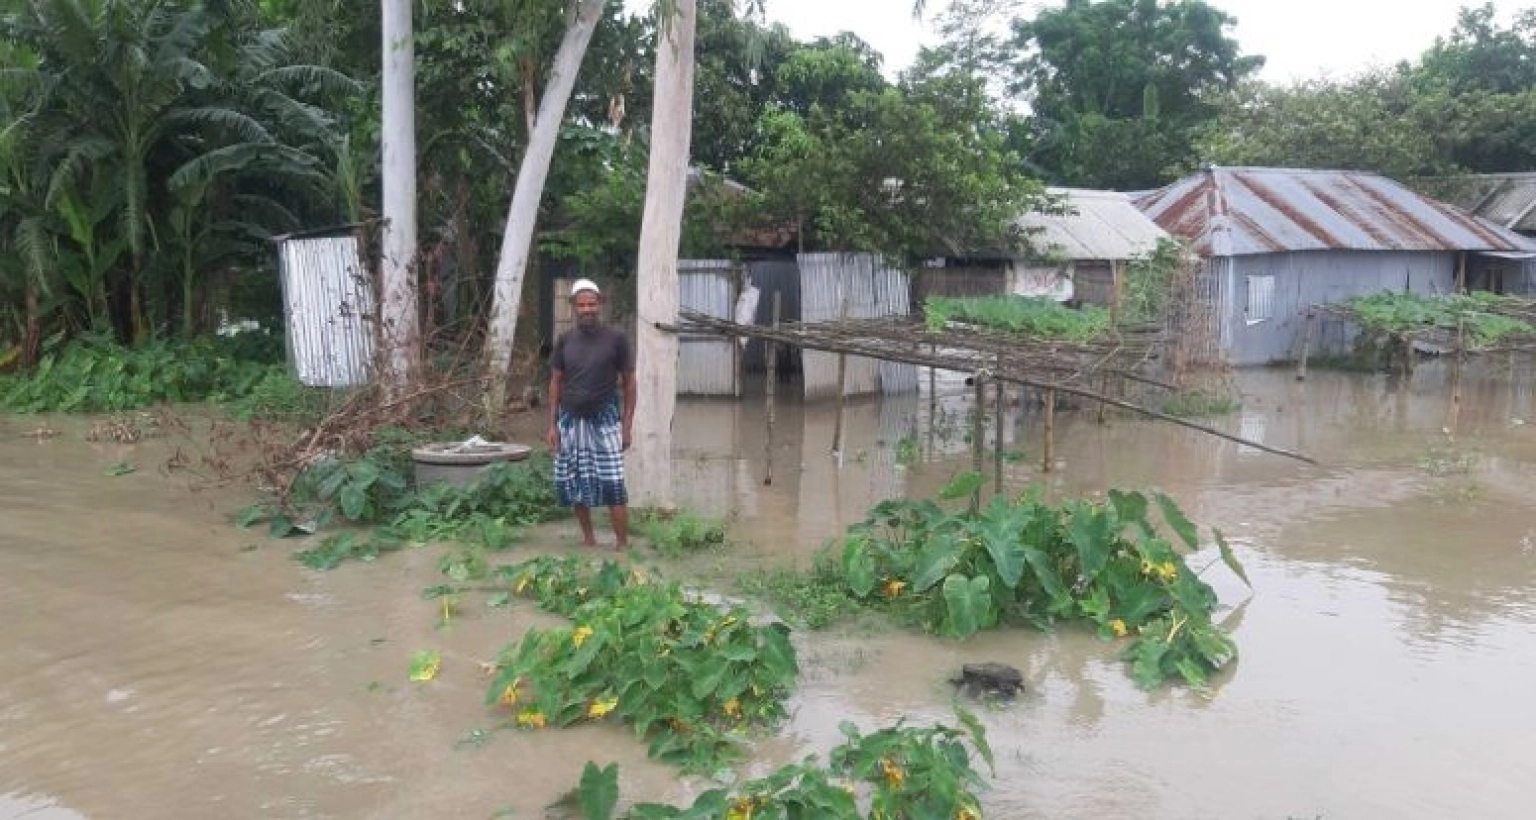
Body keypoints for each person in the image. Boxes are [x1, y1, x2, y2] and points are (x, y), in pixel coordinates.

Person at [546, 278, 636, 549]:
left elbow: (630, 382)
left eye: (592, 304)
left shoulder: (616, 338)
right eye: (581, 304)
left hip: (605, 418)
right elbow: (555, 382)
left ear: (600, 305)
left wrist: (627, 425)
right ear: (573, 306)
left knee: (613, 483)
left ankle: (622, 545)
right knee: (575, 482)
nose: (587, 309)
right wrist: (552, 425)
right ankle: (589, 540)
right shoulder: (565, 340)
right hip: (570, 419)